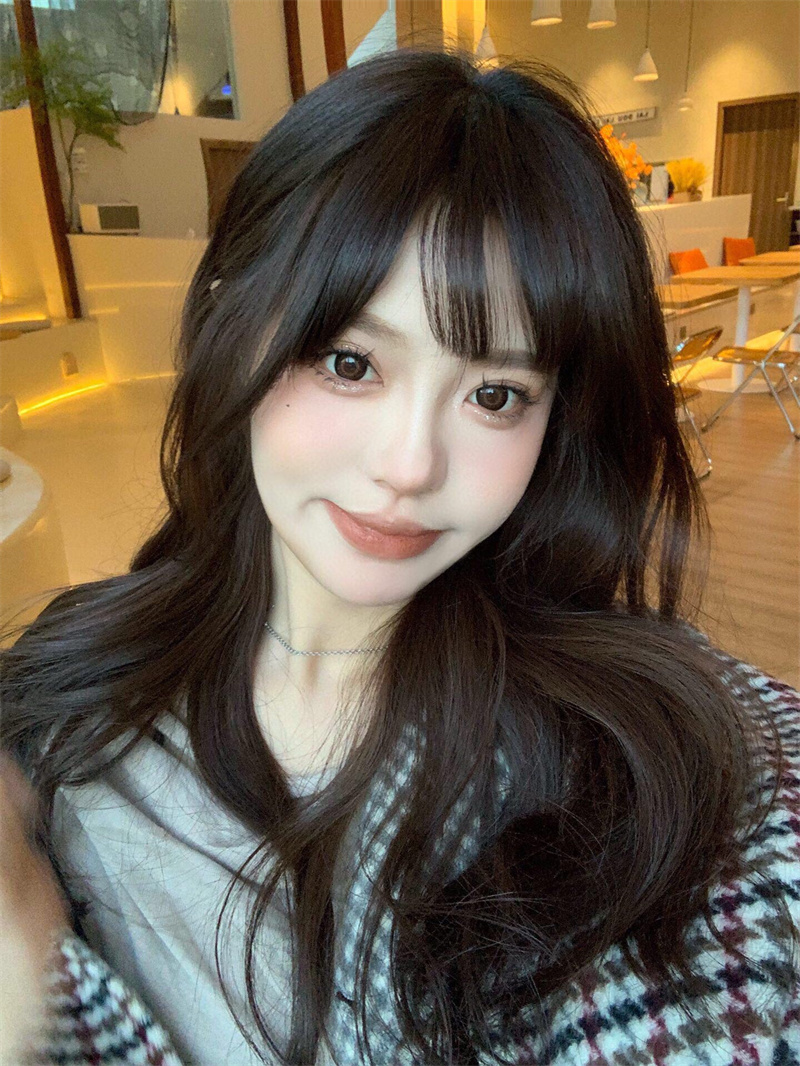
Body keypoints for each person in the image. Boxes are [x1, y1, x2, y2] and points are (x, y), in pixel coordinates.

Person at [1, 46, 799, 1066]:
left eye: (495, 394)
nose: (410, 465)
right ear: (230, 328)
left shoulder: (633, 760)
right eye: (350, 363)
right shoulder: (65, 699)